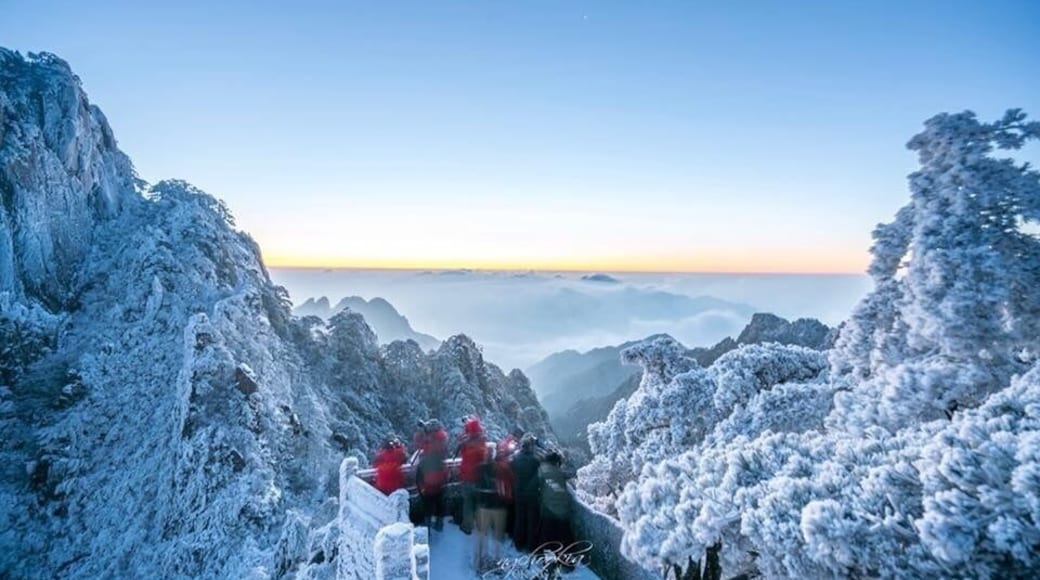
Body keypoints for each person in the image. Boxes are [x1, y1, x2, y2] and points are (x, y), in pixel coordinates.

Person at [474, 443, 508, 572]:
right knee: (497, 536)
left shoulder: (479, 468)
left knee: (482, 535)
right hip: (498, 505)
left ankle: (480, 564)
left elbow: (475, 486)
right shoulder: (501, 468)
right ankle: (497, 563)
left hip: (483, 505)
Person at [537, 452, 574, 556]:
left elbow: (536, 486)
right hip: (563, 510)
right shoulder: (560, 472)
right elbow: (571, 473)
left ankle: (549, 562)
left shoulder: (541, 470)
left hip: (548, 509)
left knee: (547, 537)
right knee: (563, 536)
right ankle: (566, 560)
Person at [510, 434, 541, 551]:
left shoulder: (515, 459)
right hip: (532, 494)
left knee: (520, 518)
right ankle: (531, 546)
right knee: (532, 520)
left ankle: (518, 543)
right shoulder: (535, 460)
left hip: (518, 492)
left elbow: (512, 468)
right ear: (530, 447)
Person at [416, 419, 448, 530]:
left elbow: (419, 443)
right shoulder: (441, 438)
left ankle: (427, 526)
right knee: (440, 501)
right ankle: (439, 524)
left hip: (430, 475)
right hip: (441, 475)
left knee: (428, 502)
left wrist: (423, 431)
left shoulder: (431, 440)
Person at [457, 416, 487, 534]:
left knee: (468, 503)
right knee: (479, 502)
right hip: (479, 477)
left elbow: (462, 445)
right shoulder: (482, 441)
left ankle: (467, 527)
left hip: (467, 477)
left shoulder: (466, 443)